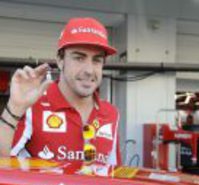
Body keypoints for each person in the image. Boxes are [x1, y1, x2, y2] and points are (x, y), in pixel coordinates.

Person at [0, 17, 121, 165]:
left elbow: (114, 175)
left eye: (96, 60)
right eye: (79, 58)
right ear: (60, 60)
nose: (89, 70)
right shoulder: (34, 106)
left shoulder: (111, 113)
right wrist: (14, 107)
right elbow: (2, 164)